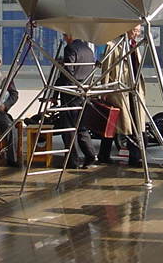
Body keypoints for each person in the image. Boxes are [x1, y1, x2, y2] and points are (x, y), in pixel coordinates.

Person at [98, 25, 147, 167]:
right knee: (113, 123)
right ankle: (104, 155)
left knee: (136, 124)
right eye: (134, 30)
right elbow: (106, 69)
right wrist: (105, 90)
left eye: (138, 31)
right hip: (119, 90)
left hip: (134, 90)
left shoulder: (135, 45)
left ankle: (135, 157)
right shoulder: (113, 45)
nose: (136, 33)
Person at [55, 33, 97, 169]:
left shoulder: (70, 48)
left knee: (68, 128)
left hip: (71, 92)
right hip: (84, 91)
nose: (64, 38)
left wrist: (57, 91)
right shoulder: (88, 49)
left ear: (70, 36)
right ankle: (90, 155)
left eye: (65, 35)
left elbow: (68, 73)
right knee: (82, 126)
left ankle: (72, 160)